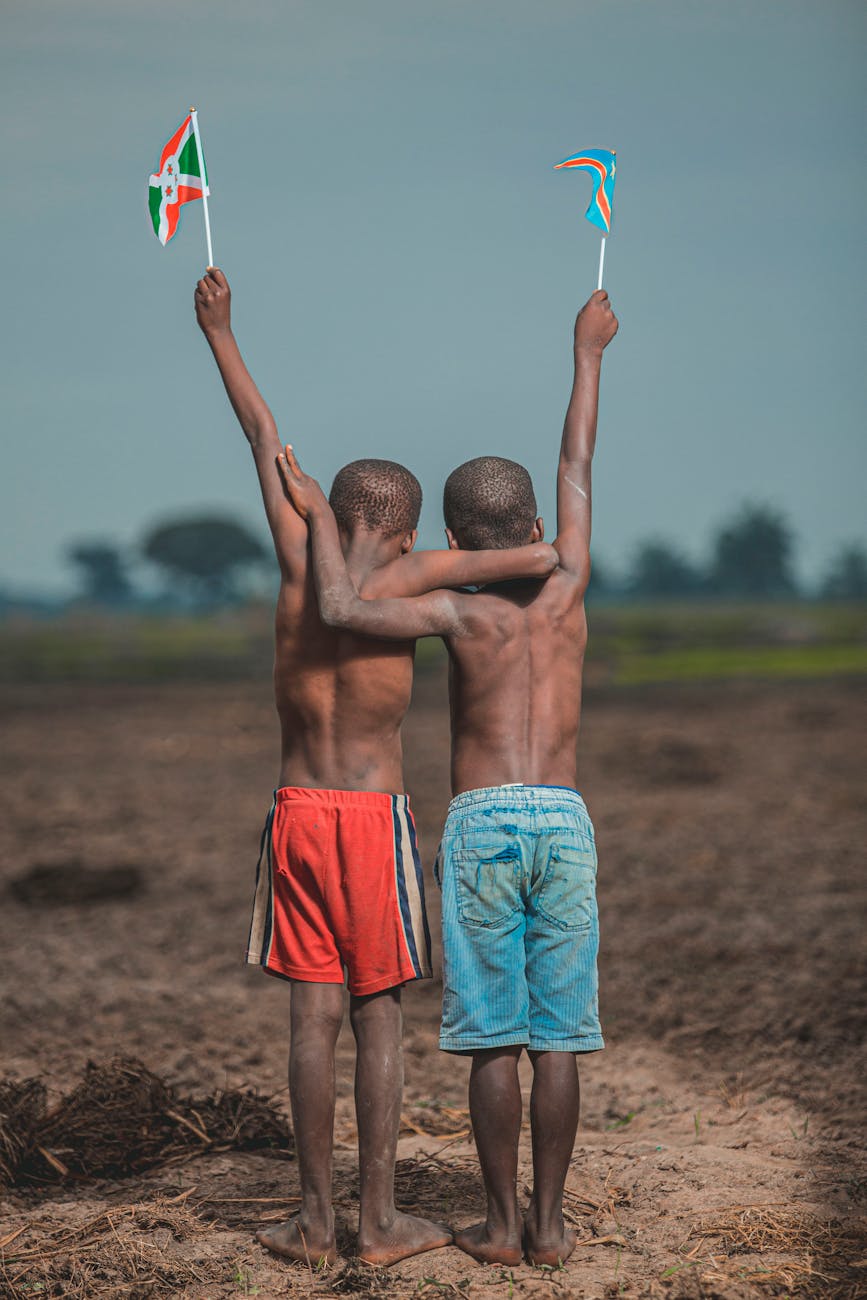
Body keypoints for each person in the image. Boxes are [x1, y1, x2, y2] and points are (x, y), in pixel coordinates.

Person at [193, 267, 560, 1268]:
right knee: (379, 1017)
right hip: (371, 822)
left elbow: (264, 440)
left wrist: (220, 332)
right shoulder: (410, 573)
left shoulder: (294, 556)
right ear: (401, 529)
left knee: (311, 1014)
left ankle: (311, 1221)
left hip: (295, 812)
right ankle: (377, 1220)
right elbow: (534, 561)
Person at [274, 288, 619, 1268]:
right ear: (535, 523)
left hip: (478, 824)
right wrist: (585, 353)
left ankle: (499, 1226)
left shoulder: (457, 612)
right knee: (559, 1036)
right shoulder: (569, 579)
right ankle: (550, 1228)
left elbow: (342, 599)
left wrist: (312, 506)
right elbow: (579, 457)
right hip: (563, 818)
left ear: (462, 544)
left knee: (491, 1041)